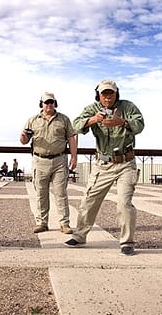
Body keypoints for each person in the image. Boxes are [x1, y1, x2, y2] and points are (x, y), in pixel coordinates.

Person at [64, 80, 144, 256]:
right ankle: (79, 236)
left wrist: (121, 122)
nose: (107, 97)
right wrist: (93, 120)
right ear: (98, 95)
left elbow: (140, 125)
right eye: (104, 93)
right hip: (103, 164)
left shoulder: (128, 106)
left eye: (111, 93)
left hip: (125, 163)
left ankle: (127, 242)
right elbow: (75, 126)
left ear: (116, 94)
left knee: (124, 203)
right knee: (89, 200)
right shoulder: (92, 108)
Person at [20, 92, 77, 234]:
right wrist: (23, 136)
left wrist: (74, 157)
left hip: (59, 161)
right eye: (46, 102)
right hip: (39, 161)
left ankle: (64, 224)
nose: (49, 105)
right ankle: (41, 223)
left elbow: (71, 138)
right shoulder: (32, 120)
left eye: (51, 102)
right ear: (41, 104)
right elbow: (24, 141)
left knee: (61, 193)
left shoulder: (64, 119)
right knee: (41, 194)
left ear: (55, 103)